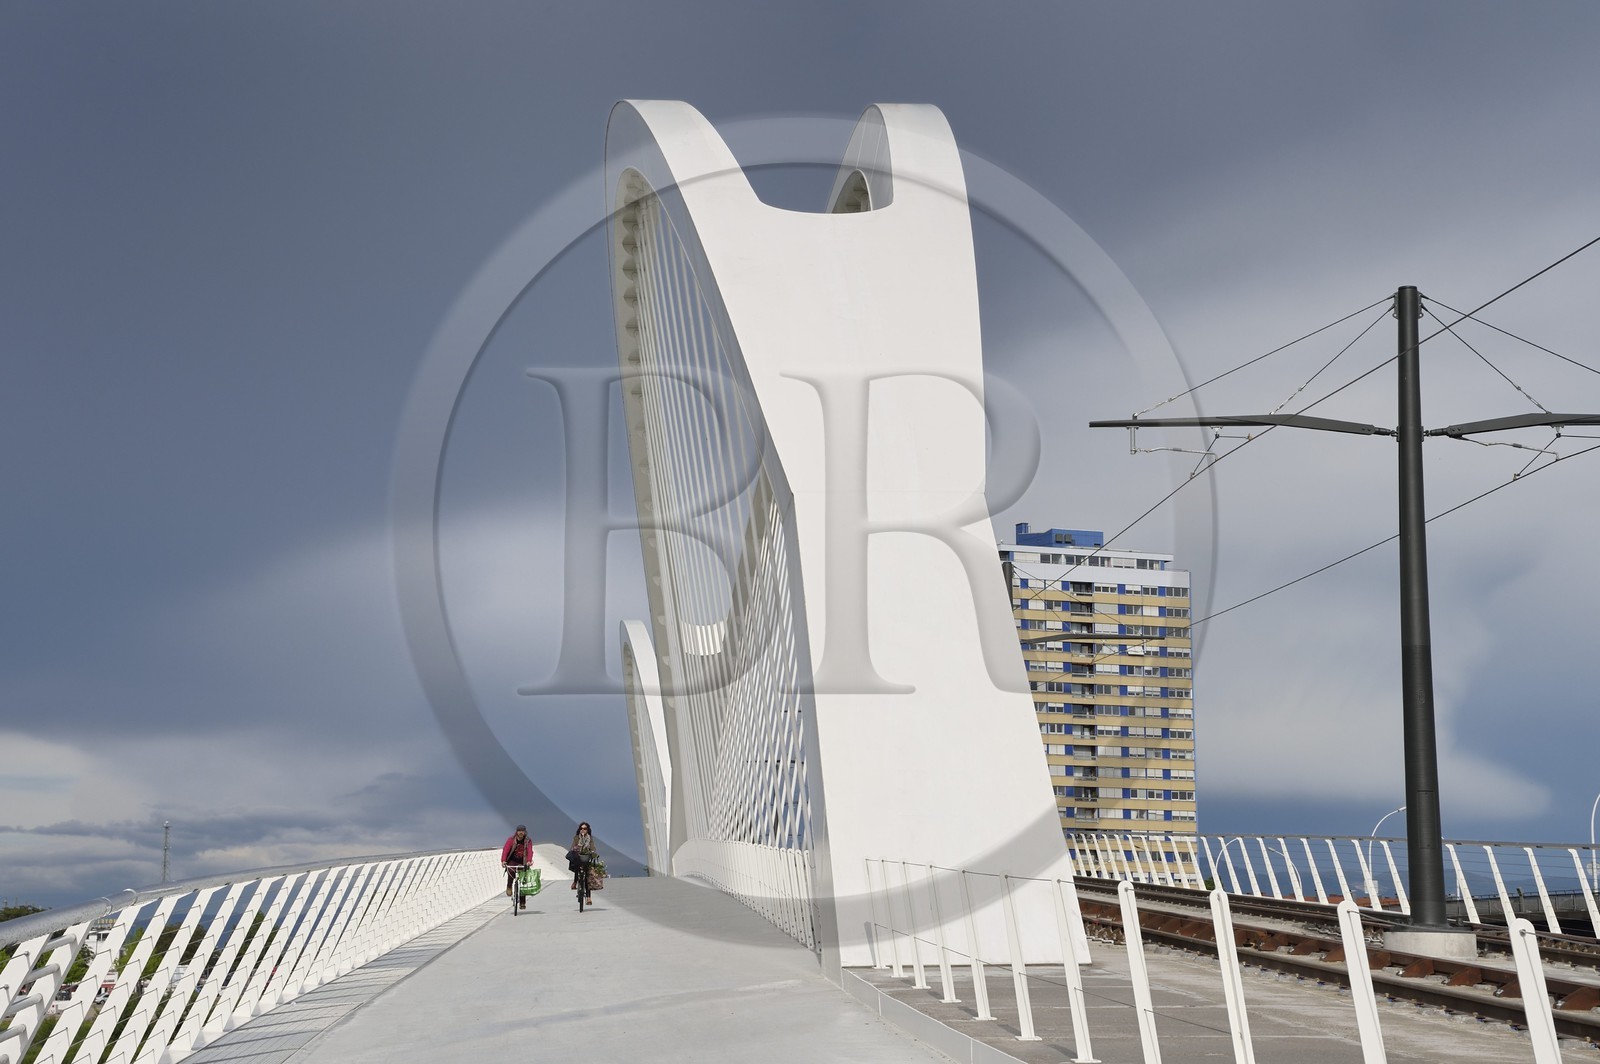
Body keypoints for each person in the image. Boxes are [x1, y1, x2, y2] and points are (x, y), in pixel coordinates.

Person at [502, 825, 533, 907]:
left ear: (525, 832)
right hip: (512, 860)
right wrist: (503, 860)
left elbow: (530, 851)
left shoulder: (528, 841)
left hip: (523, 861)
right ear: (516, 832)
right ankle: (509, 886)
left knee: (523, 880)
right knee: (511, 871)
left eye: (522, 831)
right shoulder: (511, 840)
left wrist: (529, 861)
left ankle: (522, 902)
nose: (521, 833)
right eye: (519, 831)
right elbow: (505, 850)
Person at [568, 821, 604, 893]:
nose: (583, 830)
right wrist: (574, 848)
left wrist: (593, 852)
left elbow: (592, 846)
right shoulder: (576, 838)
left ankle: (588, 896)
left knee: (588, 875)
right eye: (581, 828)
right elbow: (573, 846)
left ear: (587, 830)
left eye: (585, 828)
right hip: (579, 856)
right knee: (576, 865)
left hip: (586, 856)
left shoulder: (590, 838)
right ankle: (575, 882)